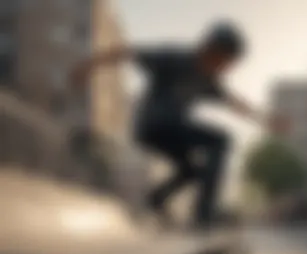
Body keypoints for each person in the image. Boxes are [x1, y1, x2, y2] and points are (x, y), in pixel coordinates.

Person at [71, 21, 286, 230]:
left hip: (166, 133)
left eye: (228, 65)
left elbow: (234, 103)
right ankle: (204, 217)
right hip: (154, 124)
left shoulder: (208, 81)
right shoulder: (174, 58)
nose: (224, 69)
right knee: (221, 141)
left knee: (192, 171)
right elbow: (126, 52)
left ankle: (157, 199)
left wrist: (266, 120)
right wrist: (87, 66)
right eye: (224, 61)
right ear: (211, 49)